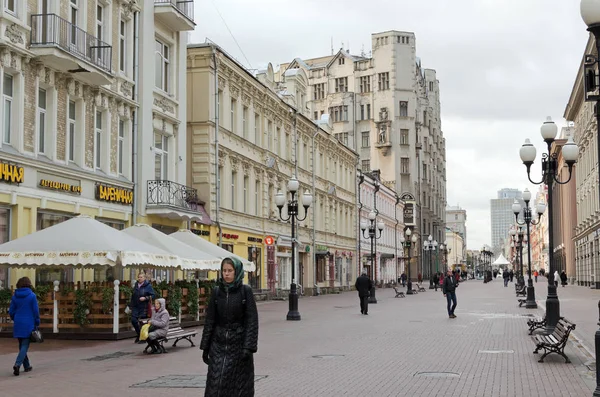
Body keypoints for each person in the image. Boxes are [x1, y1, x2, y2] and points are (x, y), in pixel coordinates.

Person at [201, 257, 259, 397]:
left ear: (236, 272)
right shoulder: (217, 292)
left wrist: (248, 347)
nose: (226, 274)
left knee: (237, 387)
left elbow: (252, 320)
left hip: (238, 346)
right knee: (215, 385)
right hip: (218, 345)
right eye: (224, 270)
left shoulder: (245, 291)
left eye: (230, 271)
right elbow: (210, 320)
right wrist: (206, 346)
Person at [9, 277, 40, 376]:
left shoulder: (15, 296)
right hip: (28, 323)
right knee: (25, 345)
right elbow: (36, 311)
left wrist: (15, 318)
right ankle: (17, 364)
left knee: (21, 345)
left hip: (18, 322)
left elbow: (11, 311)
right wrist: (37, 322)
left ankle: (27, 366)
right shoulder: (32, 296)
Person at [131, 272, 156, 344]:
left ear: (144, 278)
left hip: (144, 306)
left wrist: (145, 298)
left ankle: (143, 338)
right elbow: (133, 295)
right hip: (136, 306)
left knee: (142, 322)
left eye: (141, 277)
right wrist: (131, 305)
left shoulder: (148, 286)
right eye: (138, 277)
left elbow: (153, 295)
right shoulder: (136, 285)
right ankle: (139, 334)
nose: (139, 278)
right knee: (133, 320)